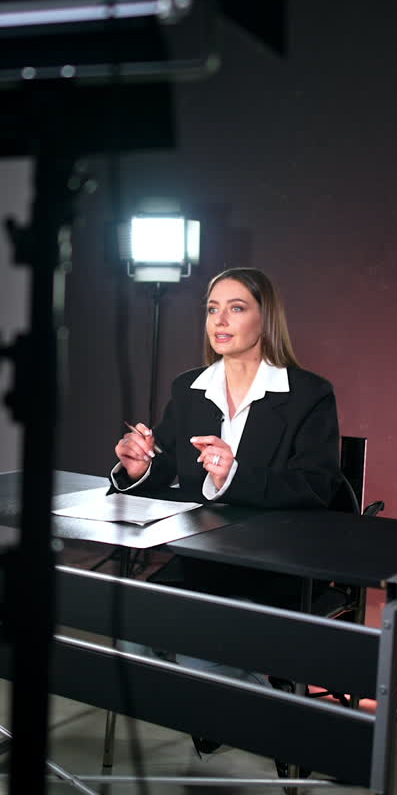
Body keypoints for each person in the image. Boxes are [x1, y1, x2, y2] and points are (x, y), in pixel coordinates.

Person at [110, 268, 342, 758]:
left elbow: (317, 487)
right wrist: (136, 468)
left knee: (198, 642)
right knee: (128, 631)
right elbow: (167, 466)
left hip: (275, 561)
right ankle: (233, 708)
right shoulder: (189, 388)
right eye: (212, 308)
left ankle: (235, 711)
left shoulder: (309, 394)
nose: (219, 319)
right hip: (203, 557)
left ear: (266, 318)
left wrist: (234, 477)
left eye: (236, 307)